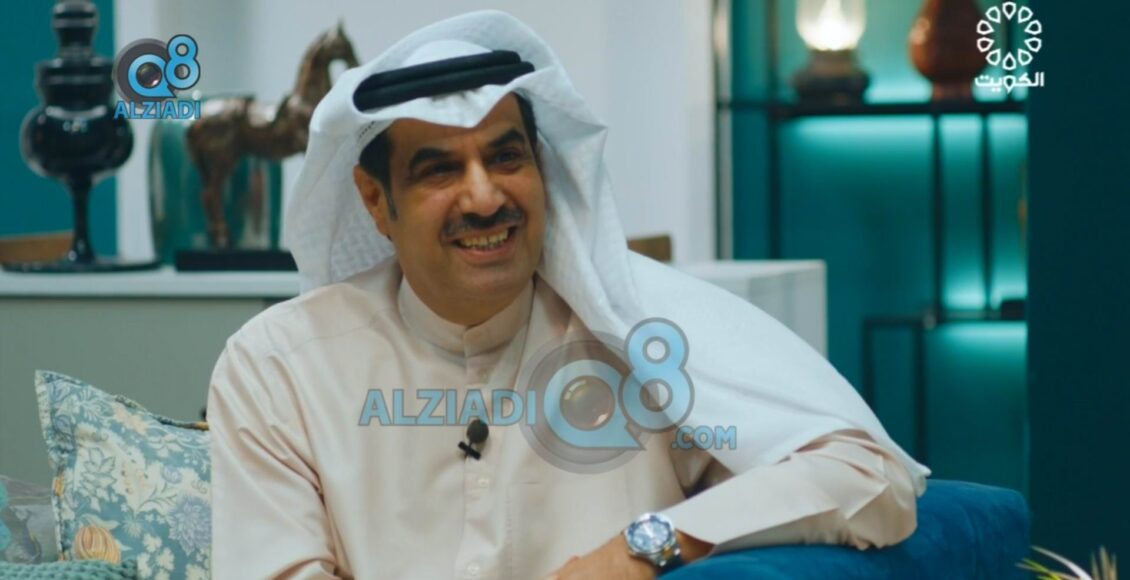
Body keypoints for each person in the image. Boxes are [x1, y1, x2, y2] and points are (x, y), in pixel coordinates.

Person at [207, 11, 930, 580]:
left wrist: (644, 547)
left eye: (506, 156)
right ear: (374, 201)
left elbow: (870, 479)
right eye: (439, 170)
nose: (485, 197)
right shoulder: (279, 367)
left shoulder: (636, 333)